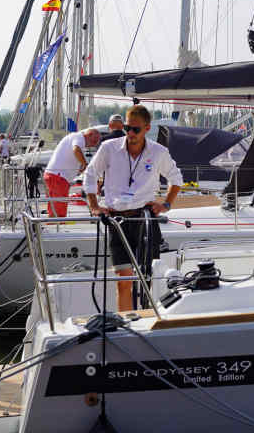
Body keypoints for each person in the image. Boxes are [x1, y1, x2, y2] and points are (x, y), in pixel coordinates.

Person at [84, 105, 182, 312]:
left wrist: (166, 204)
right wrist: (94, 205)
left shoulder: (158, 152)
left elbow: (176, 178)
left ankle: (144, 322)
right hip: (117, 220)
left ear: (147, 128)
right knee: (124, 280)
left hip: (145, 219)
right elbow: (90, 174)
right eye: (128, 128)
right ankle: (127, 323)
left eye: (135, 129)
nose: (130, 133)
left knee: (147, 278)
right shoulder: (109, 148)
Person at [43, 128, 101, 217]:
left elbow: (74, 153)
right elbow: (76, 149)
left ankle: (56, 227)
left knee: (56, 209)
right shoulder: (79, 137)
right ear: (89, 135)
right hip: (58, 177)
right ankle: (56, 228)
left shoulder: (76, 138)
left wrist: (79, 167)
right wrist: (85, 164)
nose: (92, 145)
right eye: (94, 141)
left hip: (57, 177)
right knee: (58, 211)